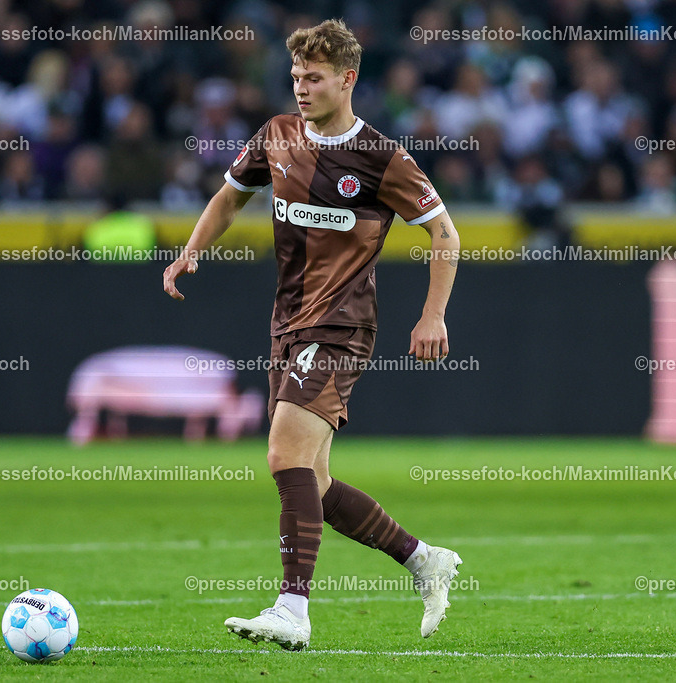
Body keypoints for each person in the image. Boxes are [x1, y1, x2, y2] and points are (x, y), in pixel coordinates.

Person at [163, 20, 462, 650]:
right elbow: (229, 196)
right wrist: (192, 249)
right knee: (313, 484)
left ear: (347, 80)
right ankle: (422, 560)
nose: (301, 87)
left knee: (282, 457)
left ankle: (292, 610)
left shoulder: (383, 157)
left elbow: (444, 233)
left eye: (314, 78)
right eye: (296, 76)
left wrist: (433, 314)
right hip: (288, 322)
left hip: (342, 326)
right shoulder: (277, 136)